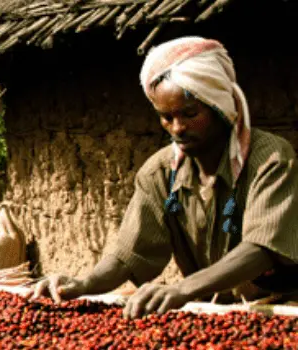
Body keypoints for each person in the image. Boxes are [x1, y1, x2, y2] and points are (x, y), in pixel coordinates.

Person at [31, 37, 298, 318]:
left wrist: (182, 289)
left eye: (190, 114)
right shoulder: (160, 173)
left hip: (282, 308)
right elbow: (128, 254)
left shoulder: (270, 159)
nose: (177, 128)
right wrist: (84, 284)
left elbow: (261, 248)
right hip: (210, 312)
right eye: (166, 117)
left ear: (219, 105)